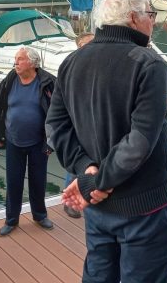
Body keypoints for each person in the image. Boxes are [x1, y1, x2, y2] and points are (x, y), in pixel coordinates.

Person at [46, 0, 167, 283]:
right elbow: (141, 140)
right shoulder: (149, 63)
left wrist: (86, 170)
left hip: (97, 205)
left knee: (98, 275)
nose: (153, 22)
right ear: (134, 18)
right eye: (151, 15)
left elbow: (55, 127)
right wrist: (96, 180)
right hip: (144, 207)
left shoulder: (71, 62)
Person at [0, 46, 56, 236]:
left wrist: (51, 142)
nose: (15, 62)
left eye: (20, 59)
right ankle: (11, 219)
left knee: (38, 180)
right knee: (13, 181)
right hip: (13, 140)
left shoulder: (48, 82)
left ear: (32, 63)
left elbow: (58, 114)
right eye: (15, 59)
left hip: (39, 142)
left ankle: (40, 215)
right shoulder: (10, 79)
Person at [63, 32, 95, 219]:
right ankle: (71, 199)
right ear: (80, 45)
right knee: (77, 158)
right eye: (88, 44)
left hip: (93, 119)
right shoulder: (73, 66)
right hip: (77, 119)